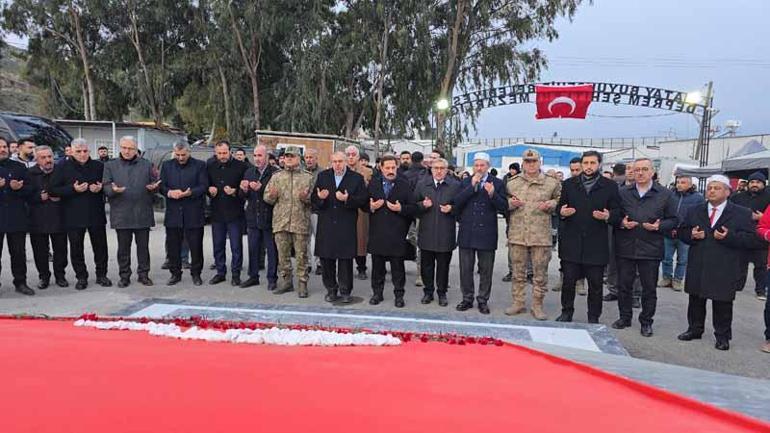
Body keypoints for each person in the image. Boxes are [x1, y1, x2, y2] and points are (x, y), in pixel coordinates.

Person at [679, 175, 755, 351]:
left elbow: (752, 240)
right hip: (699, 262)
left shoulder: (741, 213)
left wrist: (729, 237)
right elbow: (681, 232)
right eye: (710, 188)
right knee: (696, 298)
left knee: (722, 302)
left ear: (728, 192)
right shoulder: (694, 210)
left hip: (725, 265)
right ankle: (694, 329)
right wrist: (691, 234)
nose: (712, 191)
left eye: (717, 188)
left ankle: (722, 336)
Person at [613, 158, 677, 336]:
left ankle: (646, 321)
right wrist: (622, 222)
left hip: (651, 247)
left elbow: (674, 219)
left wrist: (659, 226)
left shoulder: (665, 194)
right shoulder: (623, 192)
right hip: (626, 246)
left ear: (652, 172)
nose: (640, 173)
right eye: (637, 169)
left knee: (649, 288)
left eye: (644, 169)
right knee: (624, 285)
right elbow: (614, 215)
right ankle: (624, 317)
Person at [555, 151, 620, 323]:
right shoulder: (569, 184)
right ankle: (566, 312)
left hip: (596, 244)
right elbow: (560, 207)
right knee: (568, 283)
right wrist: (561, 213)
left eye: (592, 163)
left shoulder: (609, 186)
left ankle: (593, 317)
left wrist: (608, 216)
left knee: (596, 286)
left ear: (599, 164)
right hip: (572, 242)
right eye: (586, 163)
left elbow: (618, 213)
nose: (589, 166)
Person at [505, 149, 561, 320]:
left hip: (540, 236)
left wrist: (551, 204)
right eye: (527, 161)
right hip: (518, 234)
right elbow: (502, 202)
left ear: (540, 162)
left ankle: (537, 305)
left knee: (540, 273)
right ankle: (518, 302)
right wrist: (510, 203)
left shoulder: (551, 183)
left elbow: (561, 200)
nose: (530, 164)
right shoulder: (512, 183)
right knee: (518, 272)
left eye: (534, 161)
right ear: (522, 163)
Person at [49, 138, 111, 290]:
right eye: (78, 151)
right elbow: (53, 190)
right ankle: (81, 277)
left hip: (95, 213)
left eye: (85, 151)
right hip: (73, 215)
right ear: (71, 151)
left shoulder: (98, 166)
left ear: (89, 151)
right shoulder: (62, 167)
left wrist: (100, 189)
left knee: (101, 247)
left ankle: (101, 275)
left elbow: (107, 185)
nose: (82, 154)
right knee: (76, 248)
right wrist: (73, 189)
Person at [453, 152, 507, 314]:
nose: (479, 168)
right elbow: (457, 202)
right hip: (467, 231)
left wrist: (492, 194)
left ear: (488, 167)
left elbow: (504, 206)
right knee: (466, 269)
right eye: (476, 165)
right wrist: (471, 187)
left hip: (487, 233)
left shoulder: (497, 183)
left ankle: (483, 300)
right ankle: (467, 298)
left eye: (482, 165)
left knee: (486, 270)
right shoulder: (465, 182)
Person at [102, 137, 159, 288]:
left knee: (143, 248)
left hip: (142, 212)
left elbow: (156, 183)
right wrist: (112, 190)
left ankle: (144, 274)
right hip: (122, 213)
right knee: (123, 249)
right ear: (119, 147)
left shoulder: (147, 165)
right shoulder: (110, 165)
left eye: (130, 148)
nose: (127, 151)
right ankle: (124, 276)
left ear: (136, 149)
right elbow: (105, 185)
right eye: (124, 148)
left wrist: (154, 188)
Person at [312, 151, 367, 303]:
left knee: (345, 260)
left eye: (340, 161)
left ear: (346, 162)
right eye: (335, 161)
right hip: (327, 224)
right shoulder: (323, 176)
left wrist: (348, 199)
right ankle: (331, 289)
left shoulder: (356, 178)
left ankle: (345, 291)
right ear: (331, 162)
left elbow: (363, 200)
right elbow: (314, 199)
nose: (337, 164)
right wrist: (320, 198)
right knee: (326, 259)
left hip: (346, 224)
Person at [366, 155, 416, 307]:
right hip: (378, 233)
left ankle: (399, 295)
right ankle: (377, 293)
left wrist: (401, 208)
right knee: (377, 267)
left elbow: (413, 208)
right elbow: (363, 204)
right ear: (381, 168)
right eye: (387, 168)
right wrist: (371, 207)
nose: (390, 171)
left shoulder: (404, 185)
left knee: (398, 268)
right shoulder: (373, 184)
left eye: (393, 168)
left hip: (397, 234)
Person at [264, 146, 314, 297]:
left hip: (300, 222)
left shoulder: (308, 177)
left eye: (292, 156)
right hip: (281, 222)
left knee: (301, 255)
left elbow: (315, 200)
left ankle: (302, 283)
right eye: (287, 156)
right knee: (282, 255)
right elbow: (267, 197)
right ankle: (286, 282)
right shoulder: (277, 177)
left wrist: (306, 198)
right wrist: (272, 196)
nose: (289, 159)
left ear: (299, 158)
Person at [160, 142, 208, 286]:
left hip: (193, 212)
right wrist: (169, 192)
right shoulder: (167, 165)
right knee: (173, 246)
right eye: (178, 155)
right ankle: (175, 274)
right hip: (173, 213)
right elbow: (161, 186)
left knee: (196, 246)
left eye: (183, 155)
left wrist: (190, 193)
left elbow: (203, 186)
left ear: (189, 152)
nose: (180, 158)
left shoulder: (200, 165)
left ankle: (196, 274)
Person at [413, 157, 459, 307]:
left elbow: (462, 207)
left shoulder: (454, 186)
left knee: (443, 267)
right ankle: (428, 292)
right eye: (436, 168)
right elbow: (412, 205)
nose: (439, 171)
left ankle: (442, 293)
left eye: (442, 168)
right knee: (427, 266)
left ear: (447, 170)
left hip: (445, 234)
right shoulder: (422, 185)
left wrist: (452, 209)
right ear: (431, 169)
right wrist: (421, 205)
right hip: (427, 232)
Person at [207, 140, 248, 286]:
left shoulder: (241, 166)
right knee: (218, 245)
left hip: (234, 212)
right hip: (217, 212)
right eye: (219, 153)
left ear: (230, 151)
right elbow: (206, 183)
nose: (222, 156)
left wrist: (235, 191)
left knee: (236, 246)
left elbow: (245, 188)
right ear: (215, 153)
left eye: (225, 153)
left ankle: (236, 274)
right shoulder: (210, 165)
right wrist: (209, 190)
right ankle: (220, 272)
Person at [28, 145, 69, 290]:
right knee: (40, 251)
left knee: (61, 250)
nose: (48, 160)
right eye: (43, 157)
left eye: (50, 157)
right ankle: (44, 276)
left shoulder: (62, 171)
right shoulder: (30, 173)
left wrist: (58, 194)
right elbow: (24, 195)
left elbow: (70, 188)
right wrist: (38, 197)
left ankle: (60, 276)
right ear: (37, 159)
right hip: (37, 219)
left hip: (59, 217)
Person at [240, 145, 280, 290]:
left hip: (270, 217)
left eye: (260, 156)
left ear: (267, 157)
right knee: (253, 248)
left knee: (271, 250)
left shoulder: (275, 173)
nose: (257, 158)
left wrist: (261, 188)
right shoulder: (249, 172)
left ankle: (272, 278)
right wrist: (243, 190)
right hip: (252, 217)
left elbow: (278, 195)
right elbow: (243, 196)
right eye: (255, 155)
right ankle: (253, 276)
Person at [0, 138, 35, 295]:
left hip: (16, 216)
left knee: (18, 253)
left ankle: (20, 282)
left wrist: (18, 188)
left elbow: (30, 189)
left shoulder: (19, 167)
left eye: (4, 147)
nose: (2, 149)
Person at [729, 171, 770, 300]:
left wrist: (762, 217)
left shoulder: (768, 197)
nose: (755, 185)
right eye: (752, 182)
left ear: (763, 184)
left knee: (760, 265)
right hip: (743, 235)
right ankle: (737, 285)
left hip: (760, 238)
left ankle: (760, 290)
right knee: (740, 263)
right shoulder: (738, 197)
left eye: (758, 182)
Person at [660, 176, 705, 291]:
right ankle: (666, 277)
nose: (679, 185)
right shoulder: (670, 195)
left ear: (690, 184)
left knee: (683, 259)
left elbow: (700, 215)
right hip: (668, 231)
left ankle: (678, 280)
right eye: (678, 182)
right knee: (666, 257)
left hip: (685, 233)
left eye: (683, 182)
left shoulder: (698, 198)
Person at [345, 145, 373, 280]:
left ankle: (361, 267)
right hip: (344, 209)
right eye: (348, 154)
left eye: (353, 155)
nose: (350, 157)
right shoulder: (339, 170)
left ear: (358, 157)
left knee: (361, 239)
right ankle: (345, 268)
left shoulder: (367, 172)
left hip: (361, 210)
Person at [304, 148, 323, 275]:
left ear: (316, 159)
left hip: (317, 210)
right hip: (303, 210)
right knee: (305, 239)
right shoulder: (300, 172)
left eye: (311, 157)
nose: (309, 160)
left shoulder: (323, 173)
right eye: (306, 157)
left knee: (319, 238)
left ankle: (320, 263)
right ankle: (307, 263)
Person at [501, 162, 520, 282]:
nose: (512, 171)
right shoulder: (506, 180)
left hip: (527, 219)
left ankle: (528, 272)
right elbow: (502, 197)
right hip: (512, 218)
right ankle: (511, 271)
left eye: (514, 169)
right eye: (511, 169)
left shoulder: (521, 180)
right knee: (512, 246)